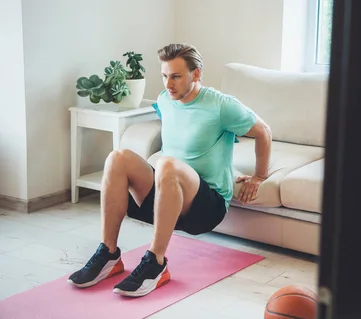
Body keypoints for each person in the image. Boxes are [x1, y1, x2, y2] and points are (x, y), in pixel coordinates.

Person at [67, 43, 272, 297]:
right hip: (169, 197)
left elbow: (263, 131)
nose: (168, 84)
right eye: (164, 76)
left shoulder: (220, 105)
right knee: (117, 158)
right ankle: (109, 254)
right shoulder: (165, 100)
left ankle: (156, 263)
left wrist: (259, 175)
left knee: (166, 163)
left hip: (206, 207)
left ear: (196, 74)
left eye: (176, 76)